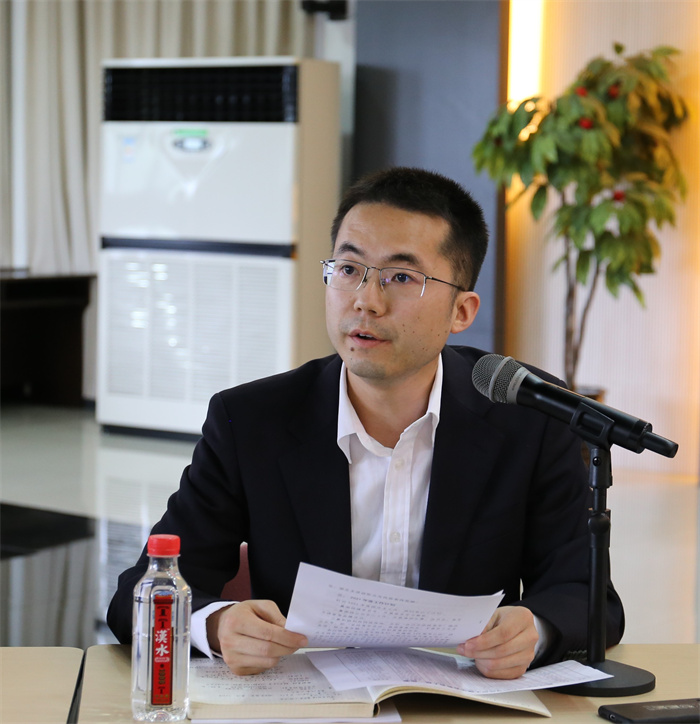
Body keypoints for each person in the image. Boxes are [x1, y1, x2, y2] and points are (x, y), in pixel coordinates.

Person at [108, 167, 624, 680]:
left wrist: (536, 629)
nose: (365, 300)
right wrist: (217, 626)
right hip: (306, 700)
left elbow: (587, 596)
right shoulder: (250, 421)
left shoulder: (528, 418)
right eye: (349, 268)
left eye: (401, 277)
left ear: (461, 311)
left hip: (462, 702)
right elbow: (141, 592)